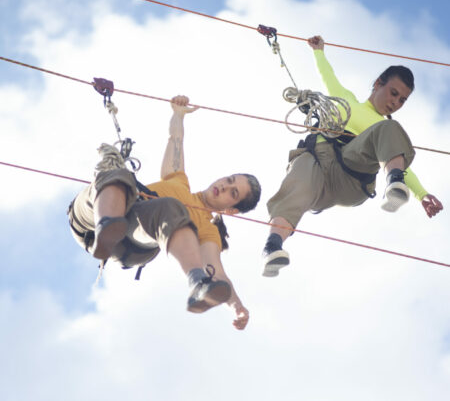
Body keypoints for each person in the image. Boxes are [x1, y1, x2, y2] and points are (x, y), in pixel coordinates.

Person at [68, 95, 261, 330]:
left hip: (134, 236)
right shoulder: (178, 180)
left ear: (231, 209)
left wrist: (237, 306)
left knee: (171, 208)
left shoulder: (208, 230)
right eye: (229, 180)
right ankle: (106, 225)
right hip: (94, 213)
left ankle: (198, 283)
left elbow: (218, 272)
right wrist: (178, 114)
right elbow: (176, 139)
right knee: (120, 175)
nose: (224, 187)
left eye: (233, 193)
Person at [262, 35, 443, 277]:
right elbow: (328, 76)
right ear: (378, 83)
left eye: (402, 100)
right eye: (393, 93)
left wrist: (421, 194)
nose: (395, 103)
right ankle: (272, 247)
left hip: (351, 175)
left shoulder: (383, 127)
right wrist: (318, 51)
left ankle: (394, 184)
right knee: (299, 174)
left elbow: (400, 159)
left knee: (390, 128)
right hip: (317, 167)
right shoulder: (347, 100)